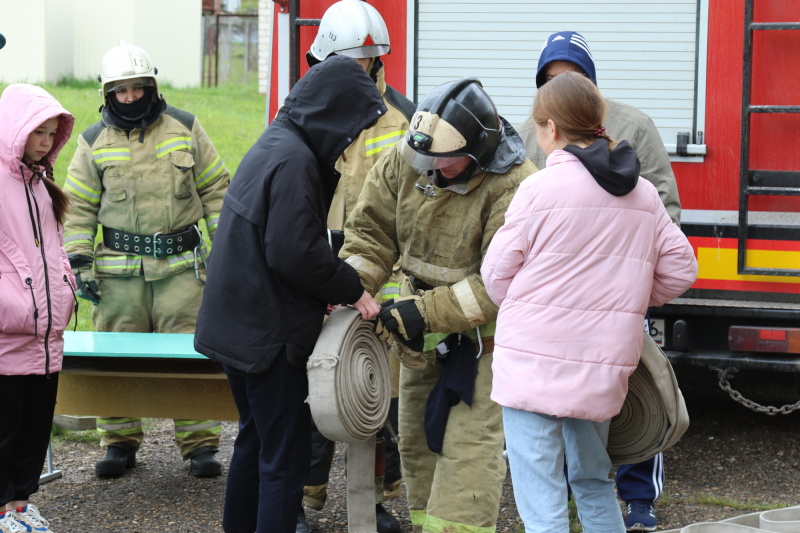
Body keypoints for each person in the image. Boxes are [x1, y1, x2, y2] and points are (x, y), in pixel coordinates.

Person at [480, 71, 697, 533]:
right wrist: (626, 301)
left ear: (552, 129)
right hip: (601, 365)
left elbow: (495, 274)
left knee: (542, 499)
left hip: (531, 364)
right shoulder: (640, 193)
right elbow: (681, 269)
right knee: (593, 480)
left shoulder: (538, 189)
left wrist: (526, 305)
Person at [193, 55, 386, 533]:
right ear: (334, 113)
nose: (352, 140)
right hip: (267, 338)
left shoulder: (274, 143)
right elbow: (293, 251)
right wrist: (351, 288)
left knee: (254, 442)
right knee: (284, 458)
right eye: (354, 127)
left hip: (234, 326)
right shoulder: (296, 159)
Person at [339, 77, 536, 533]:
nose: (429, 170)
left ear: (478, 154)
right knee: (415, 444)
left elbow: (498, 284)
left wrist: (423, 312)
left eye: (444, 164)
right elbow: (370, 234)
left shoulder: (515, 187)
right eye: (424, 159)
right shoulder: (412, 156)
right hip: (418, 338)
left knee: (469, 451)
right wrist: (351, 286)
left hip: (481, 345)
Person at [516, 30, 679, 531]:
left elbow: (667, 212)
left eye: (570, 77)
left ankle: (640, 502)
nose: (559, 87)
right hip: (558, 313)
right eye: (549, 79)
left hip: (605, 309)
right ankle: (583, 499)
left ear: (591, 83)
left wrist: (628, 290)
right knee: (586, 438)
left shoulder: (635, 125)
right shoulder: (527, 131)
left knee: (636, 404)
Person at [62, 40, 230, 478]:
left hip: (182, 270)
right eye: (122, 91)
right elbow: (77, 208)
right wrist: (79, 264)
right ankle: (118, 442)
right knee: (115, 357)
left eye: (138, 88)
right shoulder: (92, 142)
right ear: (107, 94)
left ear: (151, 86)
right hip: (118, 277)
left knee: (191, 354)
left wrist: (229, 254)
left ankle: (200, 446)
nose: (131, 97)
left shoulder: (185, 128)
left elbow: (217, 192)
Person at [298, 2, 416, 532]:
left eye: (365, 62)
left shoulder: (404, 118)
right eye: (347, 61)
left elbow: (415, 201)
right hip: (319, 264)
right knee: (316, 390)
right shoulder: (302, 112)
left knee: (376, 395)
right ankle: (302, 500)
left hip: (381, 270)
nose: (358, 71)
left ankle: (375, 504)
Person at [0, 83, 76, 533]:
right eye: (37, 132)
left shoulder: (42, 187)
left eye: (52, 133)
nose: (46, 141)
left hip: (45, 335)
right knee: (5, 432)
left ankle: (21, 506)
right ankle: (4, 510)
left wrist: (65, 290)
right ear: (14, 131)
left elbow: (55, 252)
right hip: (9, 334)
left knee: (34, 428)